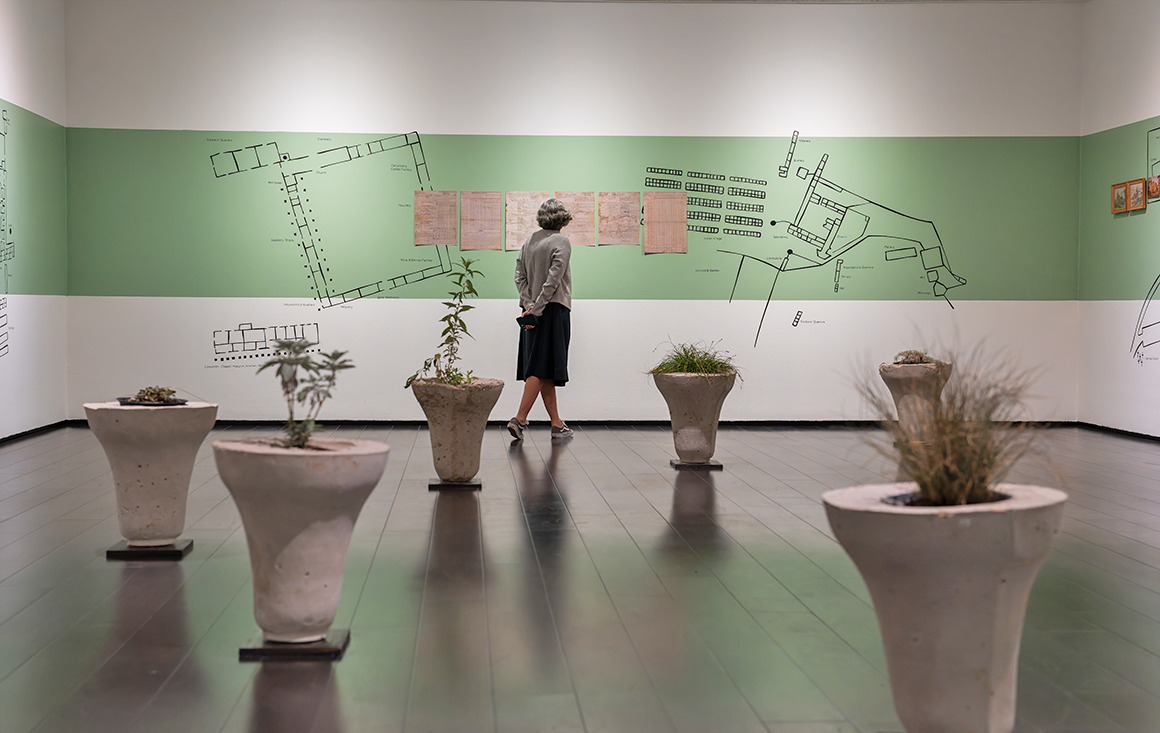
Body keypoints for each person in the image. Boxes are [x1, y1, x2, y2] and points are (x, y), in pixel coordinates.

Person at [508, 199, 574, 441]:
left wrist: (528, 305)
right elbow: (553, 280)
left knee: (543, 365)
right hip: (553, 310)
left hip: (531, 312)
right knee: (539, 365)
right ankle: (519, 419)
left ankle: (557, 424)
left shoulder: (530, 241)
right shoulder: (562, 242)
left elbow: (519, 276)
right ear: (563, 218)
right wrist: (538, 307)